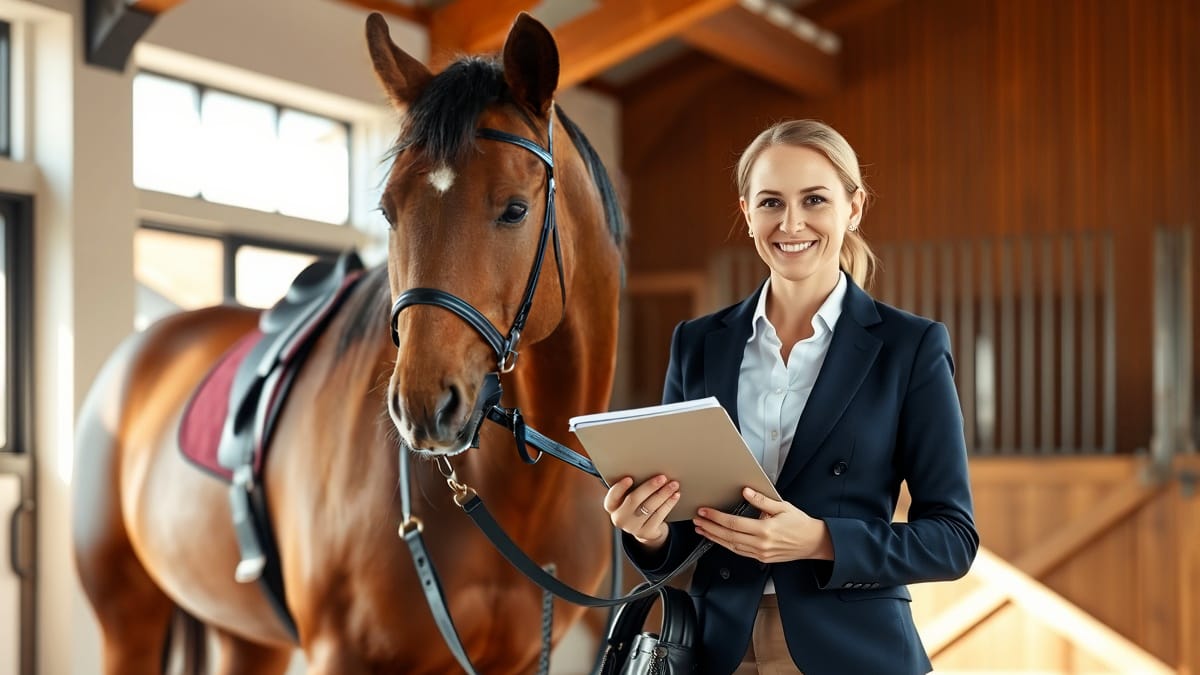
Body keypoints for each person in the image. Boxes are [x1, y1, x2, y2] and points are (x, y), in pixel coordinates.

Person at [603, 119, 979, 675]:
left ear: (854, 208)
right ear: (747, 213)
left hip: (855, 651)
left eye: (815, 200)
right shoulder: (698, 344)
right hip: (714, 652)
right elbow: (684, 539)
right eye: (772, 202)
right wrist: (651, 531)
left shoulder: (910, 347)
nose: (792, 222)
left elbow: (952, 540)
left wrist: (821, 540)